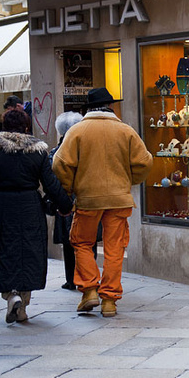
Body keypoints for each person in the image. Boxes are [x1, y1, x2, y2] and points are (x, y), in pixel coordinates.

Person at [0, 109, 73, 323]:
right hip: (30, 207)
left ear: (4, 127)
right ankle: (23, 305)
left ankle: (10, 295)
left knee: (1, 252)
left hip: (0, 207)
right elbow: (50, 183)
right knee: (28, 255)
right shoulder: (37, 151)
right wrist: (65, 205)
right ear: (26, 127)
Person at [52, 87, 152, 317]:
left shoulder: (77, 131)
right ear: (111, 107)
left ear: (88, 108)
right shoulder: (125, 130)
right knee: (114, 248)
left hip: (88, 199)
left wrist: (69, 187)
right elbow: (145, 162)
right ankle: (109, 300)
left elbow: (60, 164)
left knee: (82, 242)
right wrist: (128, 180)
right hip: (119, 199)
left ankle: (89, 290)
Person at [49, 111, 88, 291]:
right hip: (84, 199)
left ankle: (71, 278)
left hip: (65, 200)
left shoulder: (56, 152)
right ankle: (87, 277)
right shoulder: (85, 150)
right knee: (88, 241)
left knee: (69, 242)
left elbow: (51, 178)